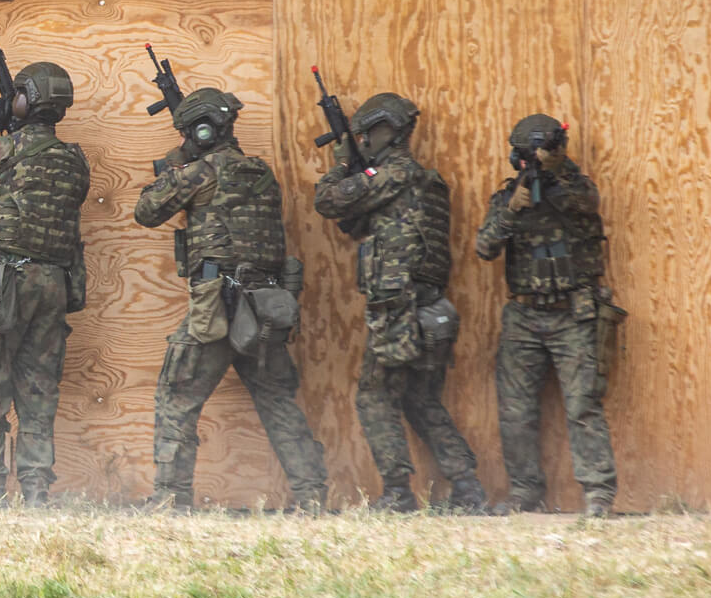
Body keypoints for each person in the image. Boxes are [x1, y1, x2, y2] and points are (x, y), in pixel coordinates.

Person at [133, 88, 328, 511]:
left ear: (202, 131)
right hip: (265, 305)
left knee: (176, 396)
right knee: (278, 401)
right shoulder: (261, 173)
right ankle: (313, 496)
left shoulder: (201, 172)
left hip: (218, 307)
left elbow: (147, 211)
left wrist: (174, 168)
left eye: (189, 131)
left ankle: (171, 499)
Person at [312, 92, 486, 513]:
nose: (363, 140)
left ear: (387, 131)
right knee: (419, 399)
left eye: (366, 134)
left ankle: (397, 493)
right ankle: (467, 488)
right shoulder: (422, 181)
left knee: (375, 397)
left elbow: (327, 199)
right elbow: (356, 222)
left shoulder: (395, 174)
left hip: (400, 311)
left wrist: (341, 162)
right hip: (430, 310)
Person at [0, 62, 90, 506]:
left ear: (24, 100)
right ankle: (37, 492)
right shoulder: (74, 162)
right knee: (39, 391)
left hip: (2, 283)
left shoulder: (4, 149)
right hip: (52, 284)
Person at [474, 114, 618, 518]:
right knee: (515, 409)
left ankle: (599, 495)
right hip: (523, 315)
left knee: (583, 405)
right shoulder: (508, 197)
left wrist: (557, 172)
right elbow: (484, 247)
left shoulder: (575, 187)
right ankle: (524, 492)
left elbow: (587, 203)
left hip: (573, 312)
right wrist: (512, 211)